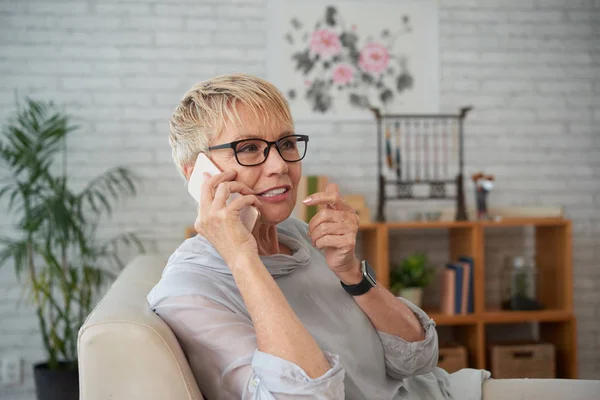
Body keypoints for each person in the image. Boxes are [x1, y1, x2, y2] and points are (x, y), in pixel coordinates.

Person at [147, 74, 489, 399]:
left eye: (286, 143)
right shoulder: (189, 291)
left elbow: (417, 358)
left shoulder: (299, 235)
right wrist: (242, 258)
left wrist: (351, 272)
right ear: (197, 173)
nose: (280, 164)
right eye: (249, 148)